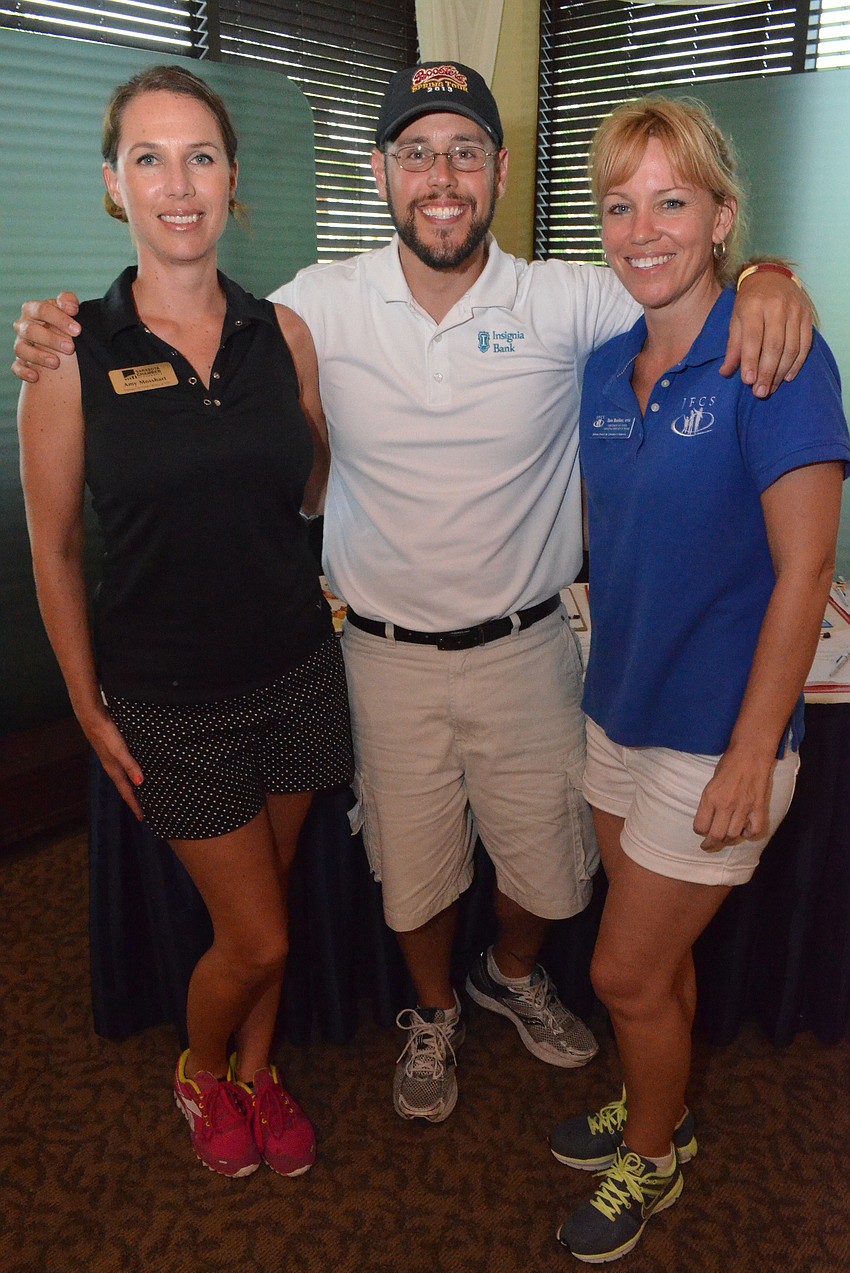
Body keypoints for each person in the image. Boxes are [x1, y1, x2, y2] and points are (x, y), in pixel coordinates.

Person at [12, 63, 814, 1128]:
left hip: (529, 648)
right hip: (377, 653)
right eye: (416, 152)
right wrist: (54, 330)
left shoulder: (564, 296)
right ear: (381, 170)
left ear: (500, 170)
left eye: (465, 151)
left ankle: (510, 969)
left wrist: (770, 268)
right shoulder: (311, 309)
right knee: (413, 876)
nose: (441, 176)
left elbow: (684, 269)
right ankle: (431, 1005)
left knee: (553, 877)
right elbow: (181, 319)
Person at [16, 65, 354, 1180]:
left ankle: (259, 1072)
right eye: (150, 159)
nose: (178, 182)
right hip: (171, 701)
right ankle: (201, 1067)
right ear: (115, 185)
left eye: (200, 156)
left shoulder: (282, 333)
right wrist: (85, 702)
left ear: (231, 181)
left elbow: (305, 495)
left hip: (301, 673)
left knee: (284, 896)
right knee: (257, 933)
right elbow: (57, 548)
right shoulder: (70, 354)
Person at [548, 96, 849, 1264]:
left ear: (722, 216)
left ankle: (658, 1149)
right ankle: (653, 1090)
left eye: (671, 200)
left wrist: (749, 749)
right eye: (619, 204)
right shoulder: (605, 365)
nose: (641, 227)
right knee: (651, 965)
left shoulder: (774, 351)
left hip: (715, 736)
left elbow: (802, 569)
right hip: (616, 712)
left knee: (621, 966)